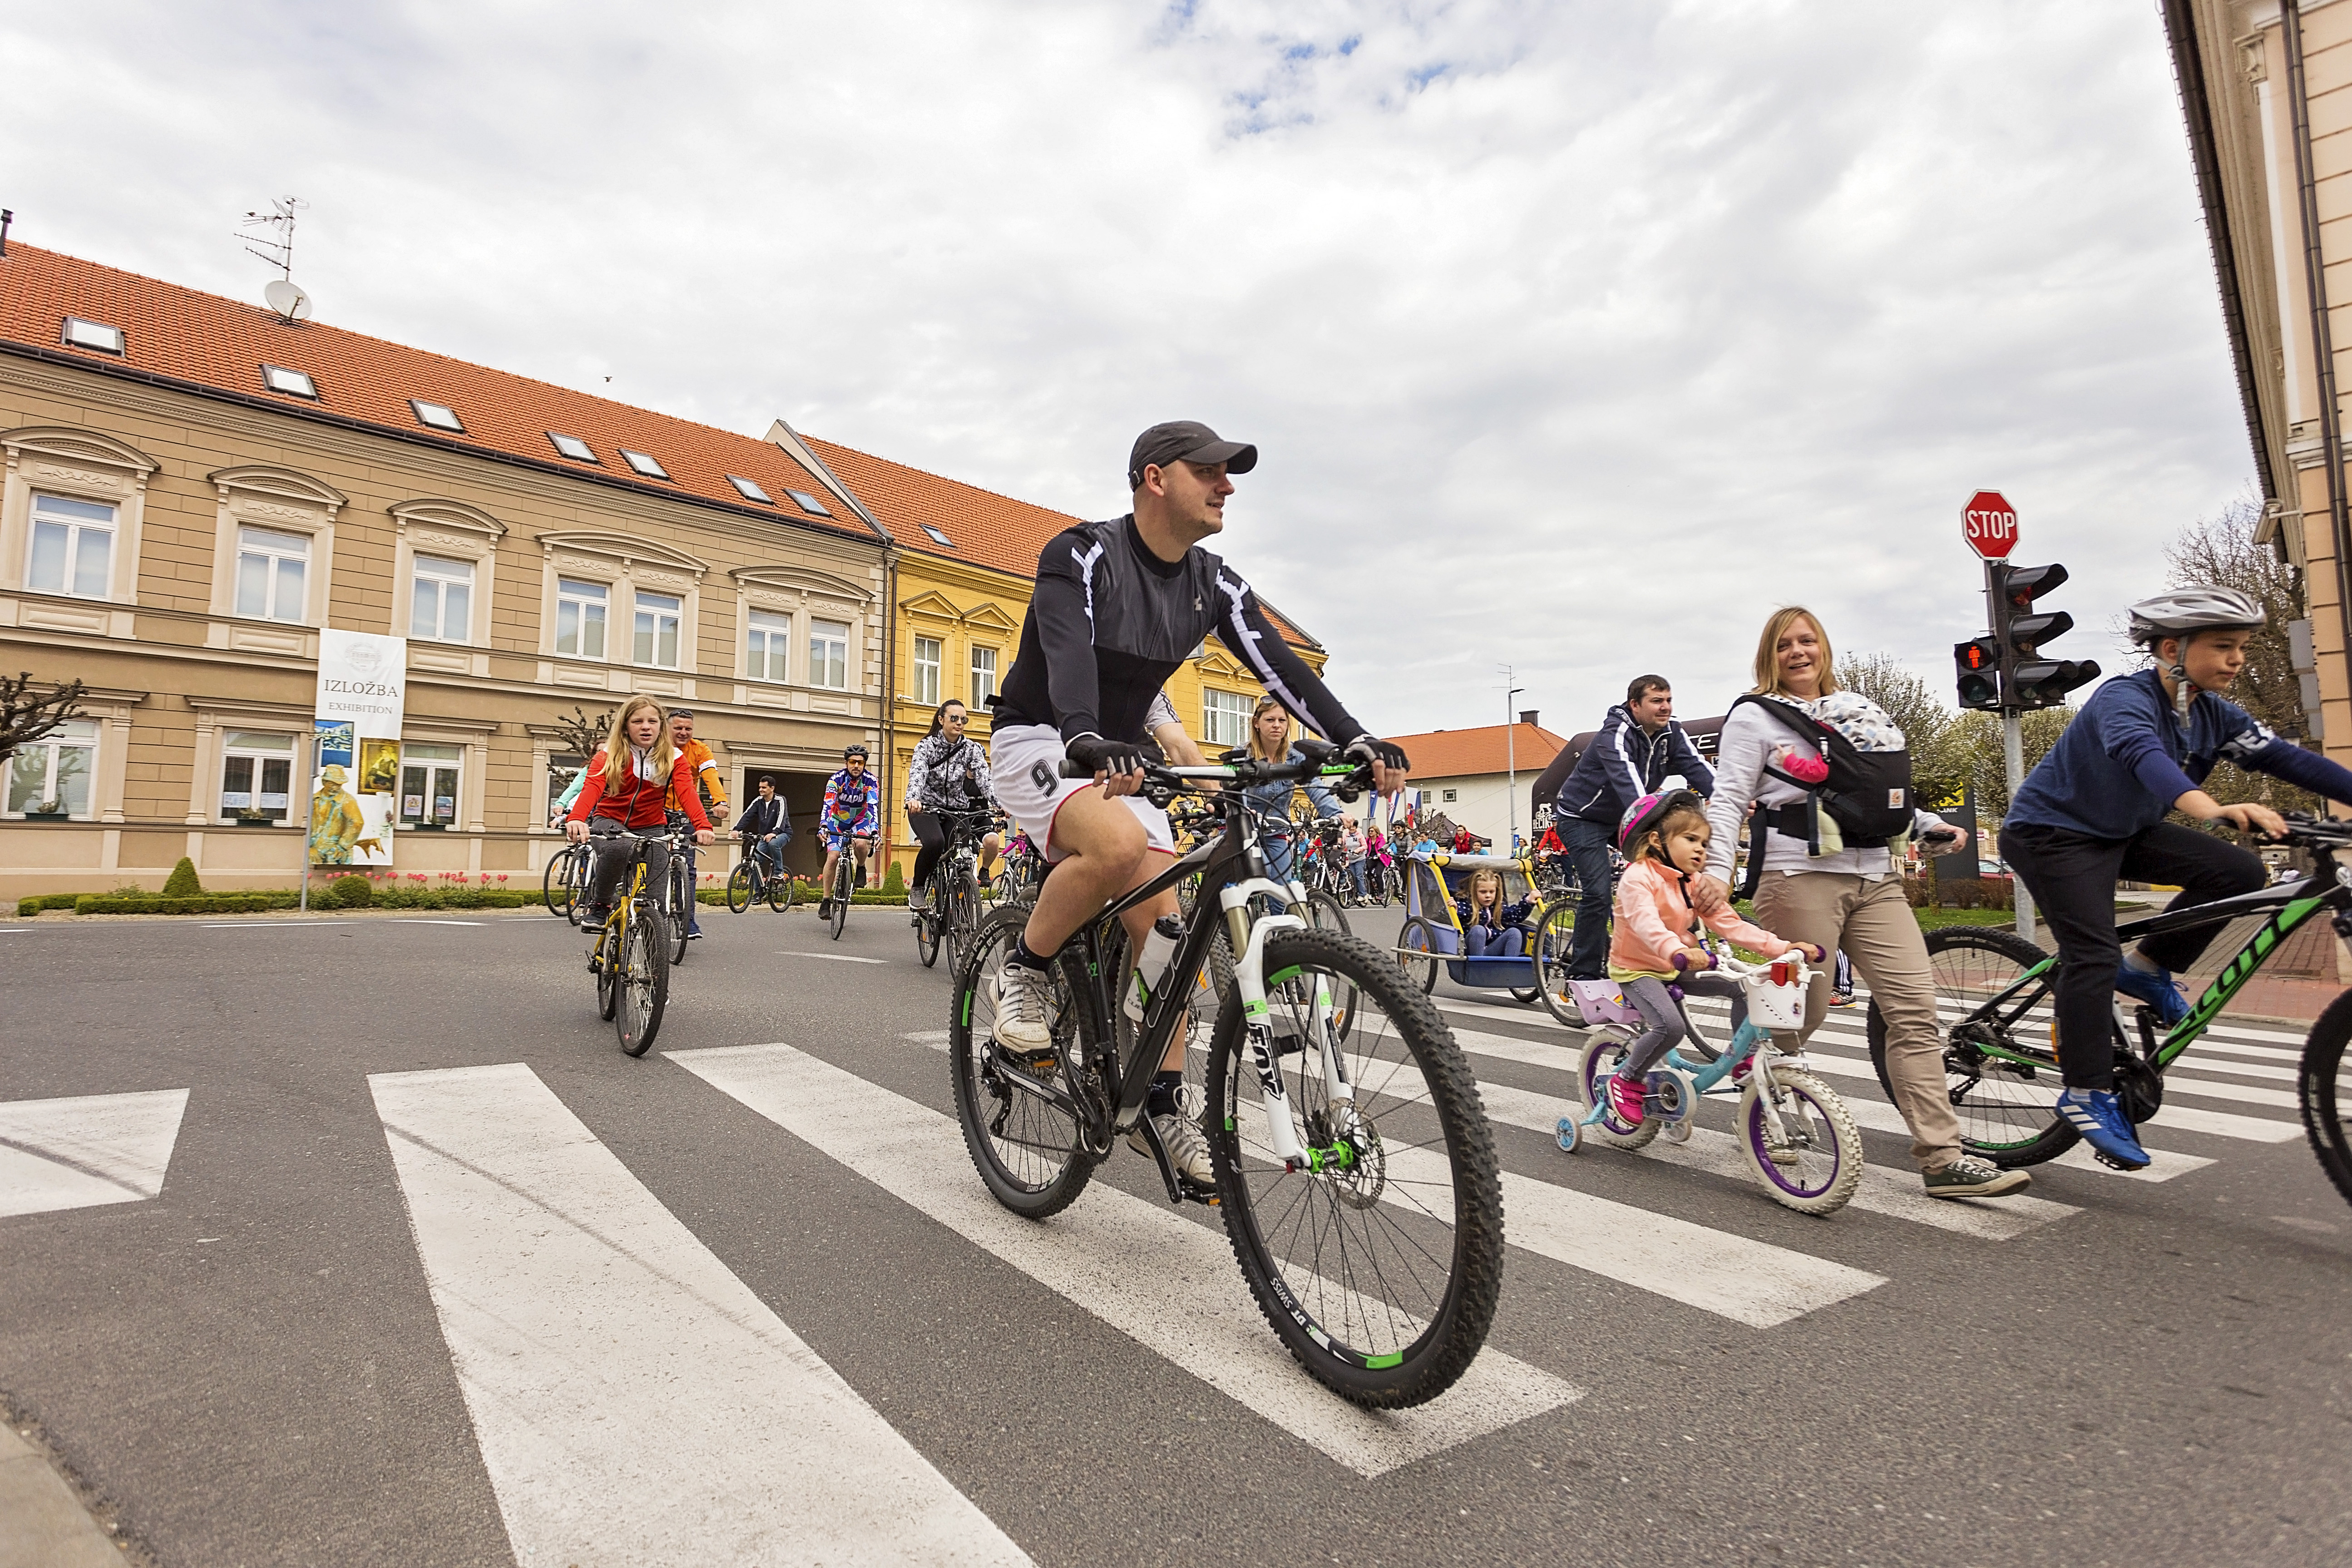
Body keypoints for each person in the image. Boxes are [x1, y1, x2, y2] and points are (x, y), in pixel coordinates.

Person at [986, 419, 1410, 1187]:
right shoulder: (1081, 554)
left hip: (1119, 755)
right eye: (1209, 470)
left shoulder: (1213, 582)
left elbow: (1282, 670)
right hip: (1044, 737)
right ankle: (1026, 969)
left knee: (1169, 935)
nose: (1227, 486)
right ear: (1155, 478)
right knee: (1116, 846)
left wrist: (1355, 738)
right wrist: (1086, 735)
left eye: (1229, 473)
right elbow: (1068, 650)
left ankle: (1160, 1102)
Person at [2001, 587, 2352, 1170]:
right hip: (2051, 834)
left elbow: (2291, 761)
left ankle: (2145, 968)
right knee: (2091, 954)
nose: (2237, 659)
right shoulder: (2124, 698)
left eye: (2241, 647)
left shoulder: (2214, 715)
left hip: (2122, 831)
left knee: (2238, 870)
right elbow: (2142, 754)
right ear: (2172, 649)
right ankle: (2086, 1092)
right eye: (2223, 646)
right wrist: (2210, 809)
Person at [1693, 607, 2030, 1199]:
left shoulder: (1854, 710)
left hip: (1876, 879)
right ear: (1769, 656)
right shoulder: (1754, 716)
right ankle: (1767, 1103)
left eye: (1807, 641)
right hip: (1797, 877)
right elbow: (1727, 799)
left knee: (1915, 1012)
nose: (1798, 652)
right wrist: (1718, 872)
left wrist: (1926, 824)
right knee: (1800, 1012)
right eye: (1784, 644)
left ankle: (1943, 1158)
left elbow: (1873, 793)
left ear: (1823, 648)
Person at [1605, 789, 1822, 1130]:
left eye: (1705, 844)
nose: (1700, 850)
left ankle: (1744, 1061)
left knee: (1744, 989)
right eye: (1691, 839)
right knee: (1670, 1027)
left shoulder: (1693, 883)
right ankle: (1627, 1078)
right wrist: (1676, 950)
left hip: (1676, 963)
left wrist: (1784, 948)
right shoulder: (1638, 878)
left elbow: (1731, 924)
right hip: (1637, 969)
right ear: (1657, 840)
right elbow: (1646, 923)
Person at [1554, 675, 1717, 981]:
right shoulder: (1615, 734)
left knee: (1671, 871)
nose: (1665, 707)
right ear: (1635, 705)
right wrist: (1660, 829)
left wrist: (1731, 799)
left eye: (1668, 700)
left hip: (1625, 818)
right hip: (1582, 818)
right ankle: (1583, 973)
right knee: (1599, 893)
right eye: (1657, 701)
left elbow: (1698, 767)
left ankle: (1655, 951)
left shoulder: (1672, 733)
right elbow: (1630, 785)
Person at [564, 694, 715, 926]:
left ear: (661, 727)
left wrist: (703, 825)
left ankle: (654, 936)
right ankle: (601, 905)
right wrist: (577, 819)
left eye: (652, 721)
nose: (646, 727)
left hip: (651, 825)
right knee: (620, 847)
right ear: (626, 727)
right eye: (638, 721)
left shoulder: (674, 757)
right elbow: (592, 788)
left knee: (657, 895)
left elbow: (687, 792)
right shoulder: (609, 755)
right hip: (610, 820)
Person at [904, 700, 1005, 914]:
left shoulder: (971, 749)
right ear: (941, 720)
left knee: (964, 854)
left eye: (963, 719)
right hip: (926, 807)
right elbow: (918, 775)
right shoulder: (926, 746)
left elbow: (985, 779)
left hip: (957, 809)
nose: (959, 723)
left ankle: (960, 906)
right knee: (935, 842)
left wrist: (1000, 804)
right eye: (954, 718)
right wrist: (913, 798)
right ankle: (918, 887)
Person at [1240, 695, 1344, 884]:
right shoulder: (1243, 756)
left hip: (1275, 834)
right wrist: (1244, 811)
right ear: (1256, 723)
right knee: (1263, 869)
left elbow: (1315, 786)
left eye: (1282, 720)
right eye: (1270, 720)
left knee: (1284, 889)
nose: (1276, 725)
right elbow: (1238, 792)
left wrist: (1337, 814)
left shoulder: (1295, 756)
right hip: (1245, 832)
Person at [662, 709, 726, 939]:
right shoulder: (657, 748)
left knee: (687, 868)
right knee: (651, 861)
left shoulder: (700, 749)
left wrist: (720, 801)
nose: (684, 732)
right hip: (656, 812)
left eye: (688, 729)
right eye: (678, 728)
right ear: (667, 728)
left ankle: (688, 921)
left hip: (685, 813)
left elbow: (710, 774)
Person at [818, 744, 880, 917]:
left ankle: (861, 867)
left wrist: (875, 831)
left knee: (860, 843)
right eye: (852, 762)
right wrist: (823, 825)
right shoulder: (836, 780)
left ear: (865, 764)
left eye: (860, 763)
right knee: (833, 858)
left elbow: (873, 807)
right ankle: (826, 901)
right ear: (846, 763)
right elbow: (828, 804)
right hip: (837, 821)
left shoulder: (871, 781)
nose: (856, 766)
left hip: (860, 820)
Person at [1455, 866, 1538, 957]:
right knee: (1479, 930)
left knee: (1515, 932)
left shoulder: (1499, 909)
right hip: (1471, 952)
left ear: (1497, 892)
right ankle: (1478, 965)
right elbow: (1452, 917)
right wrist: (1454, 910)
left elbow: (1516, 914)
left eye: (1492, 892)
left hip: (1492, 950)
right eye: (1483, 892)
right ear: (1474, 892)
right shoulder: (1466, 907)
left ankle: (1510, 965)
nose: (1488, 896)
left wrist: (1528, 901)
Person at [734, 775, 793, 883]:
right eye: (760, 787)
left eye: (764, 788)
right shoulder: (758, 801)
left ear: (772, 788)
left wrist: (775, 832)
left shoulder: (780, 800)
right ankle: (758, 892)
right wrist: (737, 829)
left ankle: (779, 872)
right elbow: (747, 815)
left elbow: (782, 817)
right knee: (756, 861)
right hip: (765, 836)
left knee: (773, 844)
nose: (761, 790)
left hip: (783, 833)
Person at [308, 763, 365, 865]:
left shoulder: (347, 801)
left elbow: (357, 823)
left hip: (334, 853)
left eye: (339, 785)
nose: (335, 789)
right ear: (324, 782)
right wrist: (308, 848)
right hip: (312, 850)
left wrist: (342, 847)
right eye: (333, 784)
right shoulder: (313, 799)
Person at [1338, 817, 1370, 903]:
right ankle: (1360, 894)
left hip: (1360, 859)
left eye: (1354, 827)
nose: (1352, 829)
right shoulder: (1346, 836)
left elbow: (1365, 846)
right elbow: (1343, 845)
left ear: (1356, 827)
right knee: (1353, 878)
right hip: (1351, 860)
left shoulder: (1360, 836)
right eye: (1350, 827)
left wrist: (1358, 850)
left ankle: (1362, 894)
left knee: (1359, 876)